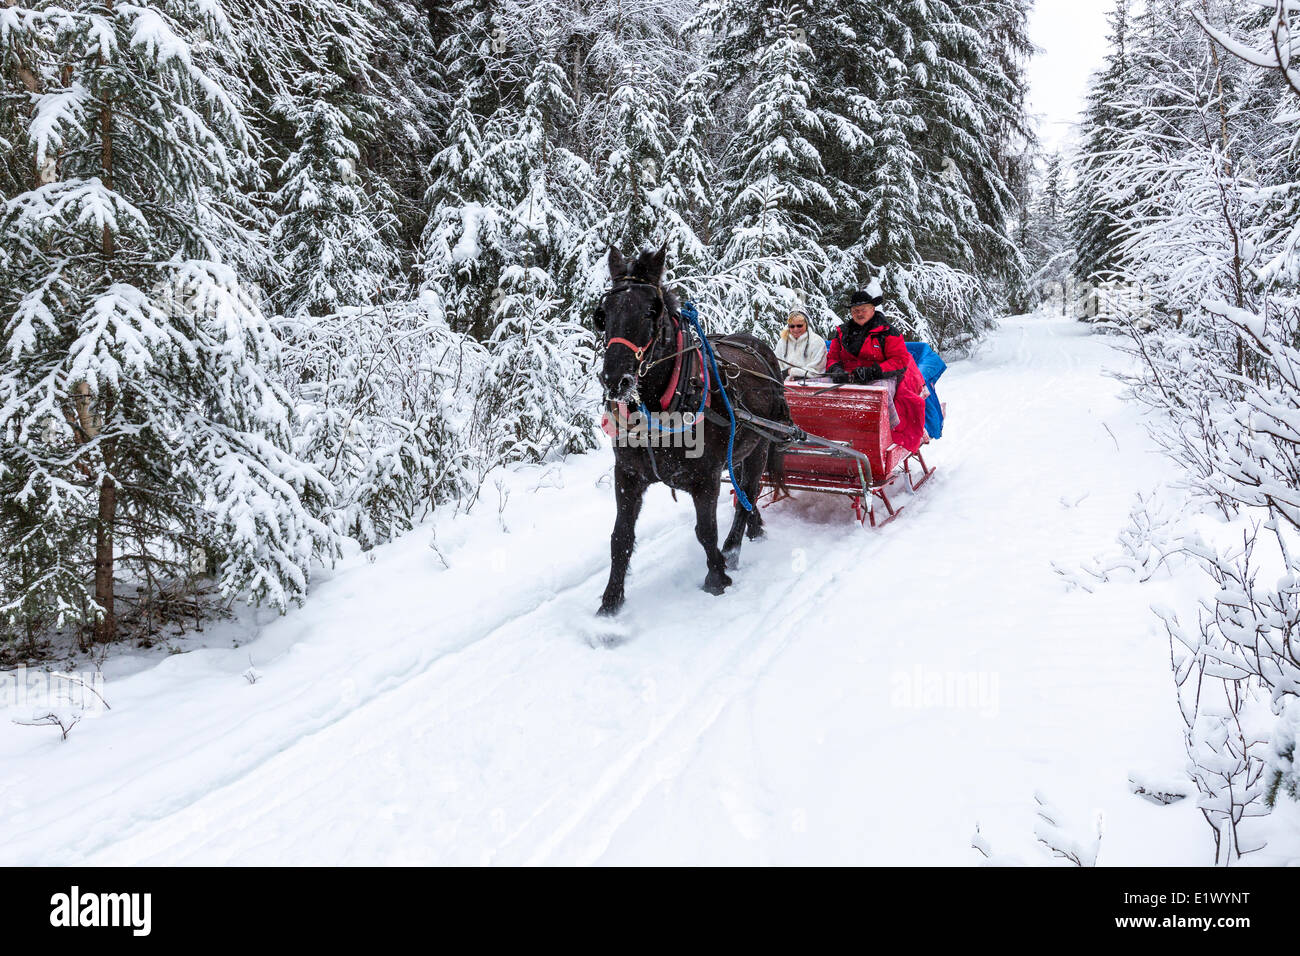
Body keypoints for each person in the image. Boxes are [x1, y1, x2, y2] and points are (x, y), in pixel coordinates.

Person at [825, 282, 928, 453]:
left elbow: (900, 360)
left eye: (863, 309)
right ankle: (826, 429)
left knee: (878, 393)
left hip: (881, 376)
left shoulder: (888, 332)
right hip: (848, 375)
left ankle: (884, 435)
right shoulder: (842, 332)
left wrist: (873, 372)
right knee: (812, 385)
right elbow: (832, 356)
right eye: (855, 311)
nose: (859, 313)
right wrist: (836, 370)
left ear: (873, 309)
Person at [776, 308, 827, 380]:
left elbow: (817, 371)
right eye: (792, 326)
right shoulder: (782, 342)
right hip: (783, 385)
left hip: (810, 385)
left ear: (806, 324)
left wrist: (791, 372)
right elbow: (776, 366)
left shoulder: (817, 342)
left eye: (799, 326)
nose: (795, 329)